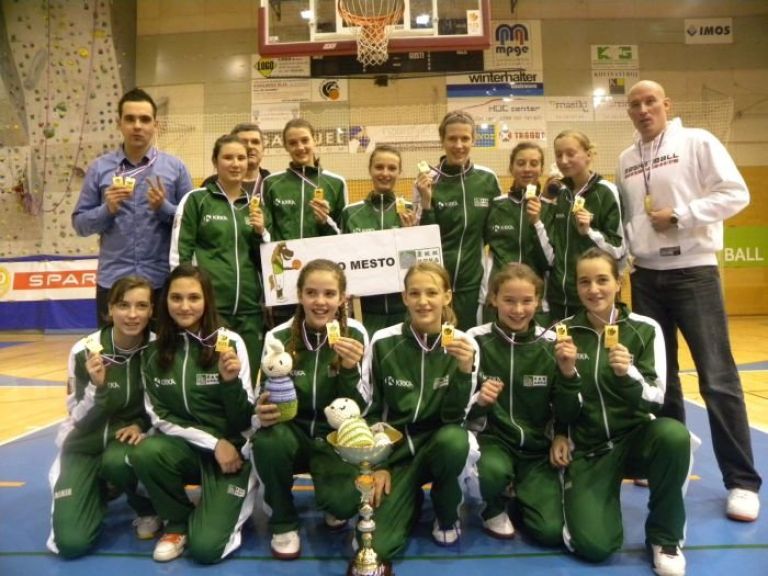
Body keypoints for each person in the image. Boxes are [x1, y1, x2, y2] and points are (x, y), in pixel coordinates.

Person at [617, 79, 761, 521]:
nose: (643, 110)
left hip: (695, 272)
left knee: (717, 378)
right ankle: (670, 463)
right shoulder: (625, 159)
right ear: (629, 112)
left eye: (650, 102)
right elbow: (627, 219)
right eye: (635, 104)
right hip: (646, 277)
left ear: (666, 104)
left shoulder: (697, 141)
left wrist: (683, 215)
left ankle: (741, 482)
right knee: (661, 380)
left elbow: (736, 193)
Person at [551, 248, 691, 576]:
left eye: (602, 280)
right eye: (584, 282)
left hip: (635, 439)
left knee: (673, 435)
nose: (593, 289)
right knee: (594, 547)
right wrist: (567, 378)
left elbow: (656, 399)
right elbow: (557, 404)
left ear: (619, 282)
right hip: (589, 448)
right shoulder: (564, 332)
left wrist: (628, 374)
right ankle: (577, 503)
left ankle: (665, 538)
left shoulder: (645, 329)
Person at [130, 264, 256, 564]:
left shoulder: (230, 343)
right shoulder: (152, 350)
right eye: (176, 298)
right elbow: (158, 415)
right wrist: (213, 442)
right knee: (146, 451)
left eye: (194, 298)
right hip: (186, 450)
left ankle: (221, 504)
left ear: (207, 300)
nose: (185, 306)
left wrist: (230, 384)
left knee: (206, 550)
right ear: (165, 301)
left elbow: (245, 419)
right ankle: (176, 522)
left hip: (232, 457)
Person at [358, 261, 479, 565]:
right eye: (415, 293)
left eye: (432, 293)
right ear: (404, 297)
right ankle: (407, 498)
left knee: (455, 440)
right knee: (379, 547)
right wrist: (378, 464)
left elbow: (456, 418)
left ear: (447, 296)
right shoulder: (383, 341)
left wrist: (464, 371)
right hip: (396, 454)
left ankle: (445, 510)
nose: (423, 301)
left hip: (439, 447)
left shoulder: (465, 345)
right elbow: (371, 410)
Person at [252, 259, 368, 560]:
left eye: (329, 294)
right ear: (300, 295)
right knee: (267, 441)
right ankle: (283, 521)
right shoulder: (278, 337)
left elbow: (364, 406)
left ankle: (332, 499)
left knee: (344, 506)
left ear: (342, 298)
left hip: (334, 439)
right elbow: (261, 395)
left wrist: (349, 369)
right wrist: (262, 410)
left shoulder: (356, 335)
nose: (320, 301)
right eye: (311, 293)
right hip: (292, 434)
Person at [47, 276, 159, 558]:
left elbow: (162, 405)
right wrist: (97, 389)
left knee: (119, 461)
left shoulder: (157, 348)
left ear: (151, 310)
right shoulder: (84, 350)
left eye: (141, 306)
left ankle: (144, 505)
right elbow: (77, 417)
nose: (132, 314)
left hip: (123, 445)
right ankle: (100, 489)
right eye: (123, 305)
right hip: (83, 446)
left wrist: (141, 424)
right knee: (72, 544)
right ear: (109, 309)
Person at [467, 263, 574, 546]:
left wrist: (561, 433)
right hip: (493, 443)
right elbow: (458, 407)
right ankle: (492, 505)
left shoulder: (552, 344)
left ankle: (521, 493)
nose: (518, 310)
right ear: (493, 299)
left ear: (538, 301)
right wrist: (480, 401)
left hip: (537, 451)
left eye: (527, 301)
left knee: (550, 532)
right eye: (509, 300)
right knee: (490, 472)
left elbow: (567, 406)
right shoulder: (475, 340)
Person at [72, 88, 193, 326]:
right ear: (119, 123)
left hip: (162, 282)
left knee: (163, 348)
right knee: (113, 348)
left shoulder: (176, 168)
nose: (137, 126)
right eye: (130, 119)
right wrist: (107, 209)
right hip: (113, 282)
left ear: (155, 125)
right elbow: (80, 225)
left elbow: (191, 224)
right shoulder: (99, 168)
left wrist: (164, 208)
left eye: (144, 119)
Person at [171, 134, 267, 371]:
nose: (235, 164)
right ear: (215, 161)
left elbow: (266, 259)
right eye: (228, 157)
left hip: (250, 310)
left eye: (241, 158)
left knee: (248, 373)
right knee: (214, 373)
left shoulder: (254, 206)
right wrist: (188, 298)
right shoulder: (197, 200)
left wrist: (261, 233)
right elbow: (180, 254)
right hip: (213, 309)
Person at [414, 111, 501, 330]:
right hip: (434, 286)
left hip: (472, 285)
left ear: (474, 140)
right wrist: (426, 202)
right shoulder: (426, 181)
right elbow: (421, 239)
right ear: (442, 140)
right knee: (435, 342)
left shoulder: (487, 179)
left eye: (465, 138)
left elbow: (495, 233)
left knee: (467, 341)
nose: (459, 145)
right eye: (452, 138)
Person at [261, 118, 348, 327]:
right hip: (284, 282)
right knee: (285, 339)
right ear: (285, 146)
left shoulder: (336, 183)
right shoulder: (272, 184)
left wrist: (325, 222)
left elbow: (344, 237)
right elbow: (266, 235)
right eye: (293, 143)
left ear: (314, 140)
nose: (300, 147)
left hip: (323, 285)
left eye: (304, 140)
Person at [538, 130, 624, 321]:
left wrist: (589, 232)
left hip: (593, 297)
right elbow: (548, 242)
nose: (563, 160)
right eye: (559, 155)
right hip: (559, 297)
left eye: (570, 153)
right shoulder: (559, 193)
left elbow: (618, 249)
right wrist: (545, 200)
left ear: (588, 155)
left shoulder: (606, 192)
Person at [341, 144, 417, 334]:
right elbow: (344, 260)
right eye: (379, 167)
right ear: (370, 169)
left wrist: (409, 237)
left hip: (404, 311)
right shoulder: (351, 212)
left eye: (392, 168)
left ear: (399, 172)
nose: (385, 173)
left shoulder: (411, 211)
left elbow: (416, 265)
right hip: (365, 312)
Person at [480, 142, 552, 323]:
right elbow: (476, 246)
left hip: (536, 304)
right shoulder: (496, 205)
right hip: (497, 302)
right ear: (511, 168)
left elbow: (550, 261)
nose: (527, 169)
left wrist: (536, 223)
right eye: (521, 163)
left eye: (534, 163)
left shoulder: (551, 208)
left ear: (541, 169)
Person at [201, 122, 270, 195]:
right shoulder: (209, 185)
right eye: (243, 142)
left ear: (263, 149)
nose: (250, 146)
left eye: (255, 142)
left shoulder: (273, 184)